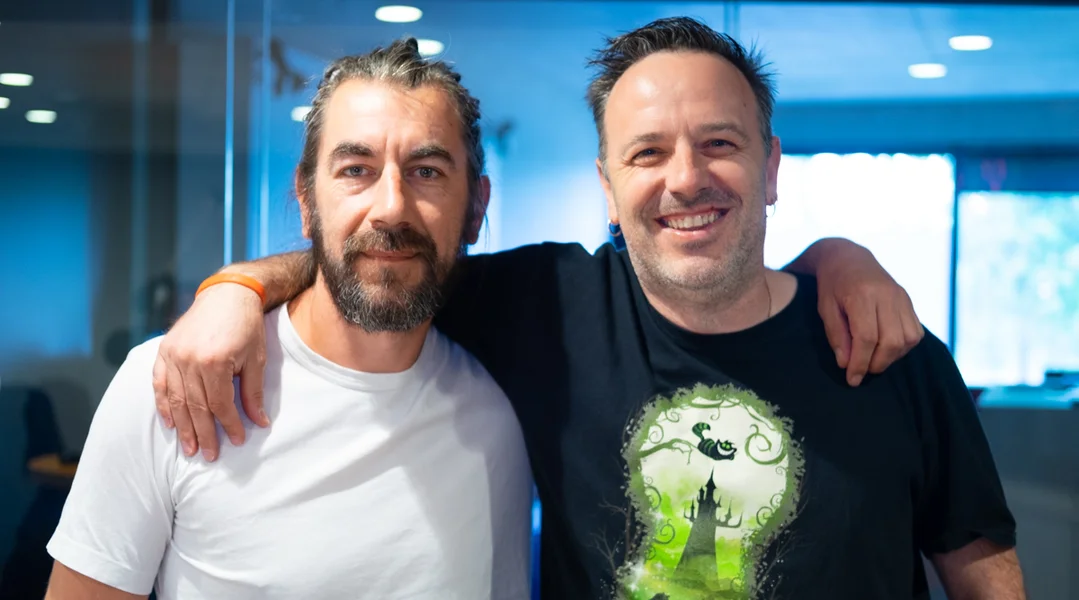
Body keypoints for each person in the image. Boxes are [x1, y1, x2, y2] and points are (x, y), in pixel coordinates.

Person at [152, 19, 1025, 599]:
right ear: (607, 188)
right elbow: (383, 259)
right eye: (647, 153)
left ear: (770, 168)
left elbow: (981, 566)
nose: (685, 178)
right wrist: (237, 288)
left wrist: (840, 254)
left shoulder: (886, 349)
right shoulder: (542, 308)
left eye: (719, 143)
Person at [44, 40, 534, 599]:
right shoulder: (174, 383)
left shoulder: (500, 417)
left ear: (476, 207)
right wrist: (237, 285)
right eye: (356, 169)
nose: (391, 207)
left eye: (426, 171)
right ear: (306, 200)